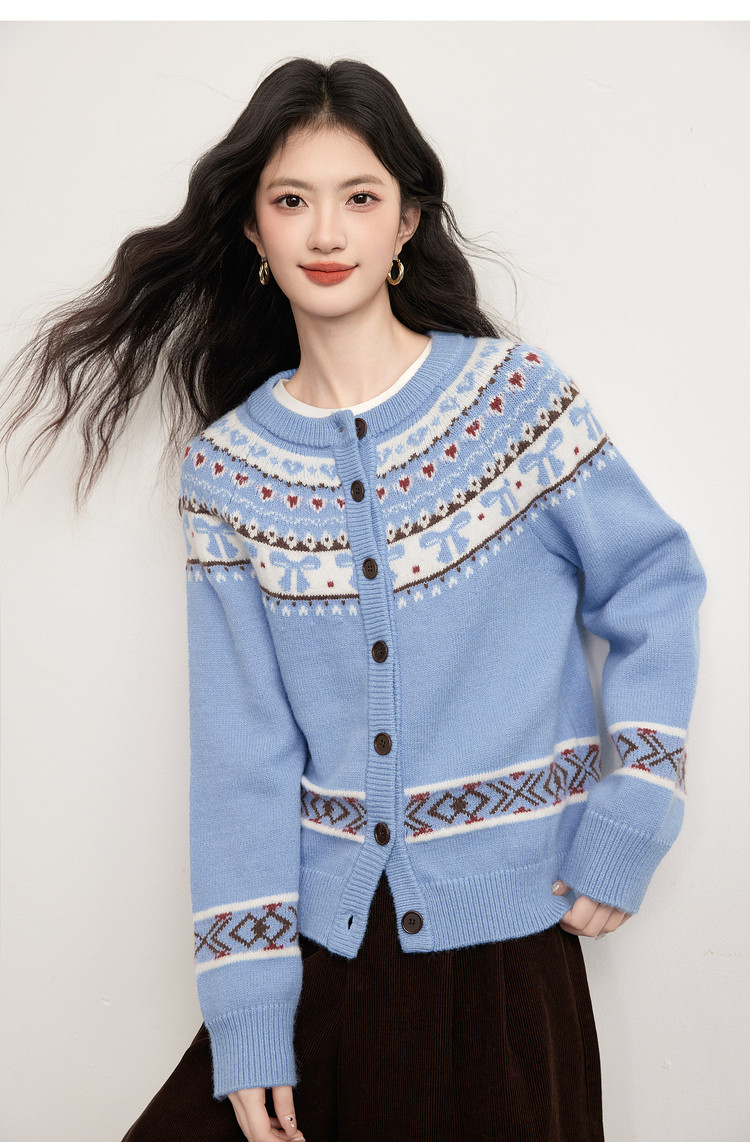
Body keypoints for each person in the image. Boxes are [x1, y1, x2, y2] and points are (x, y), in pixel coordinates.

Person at [0, 56, 707, 1142]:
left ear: (406, 221)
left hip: (514, 950)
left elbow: (654, 582)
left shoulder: (516, 403)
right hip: (327, 954)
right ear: (253, 228)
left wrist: (635, 808)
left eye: (360, 197)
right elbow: (242, 751)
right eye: (292, 200)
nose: (326, 232)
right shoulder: (228, 471)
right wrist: (246, 1008)